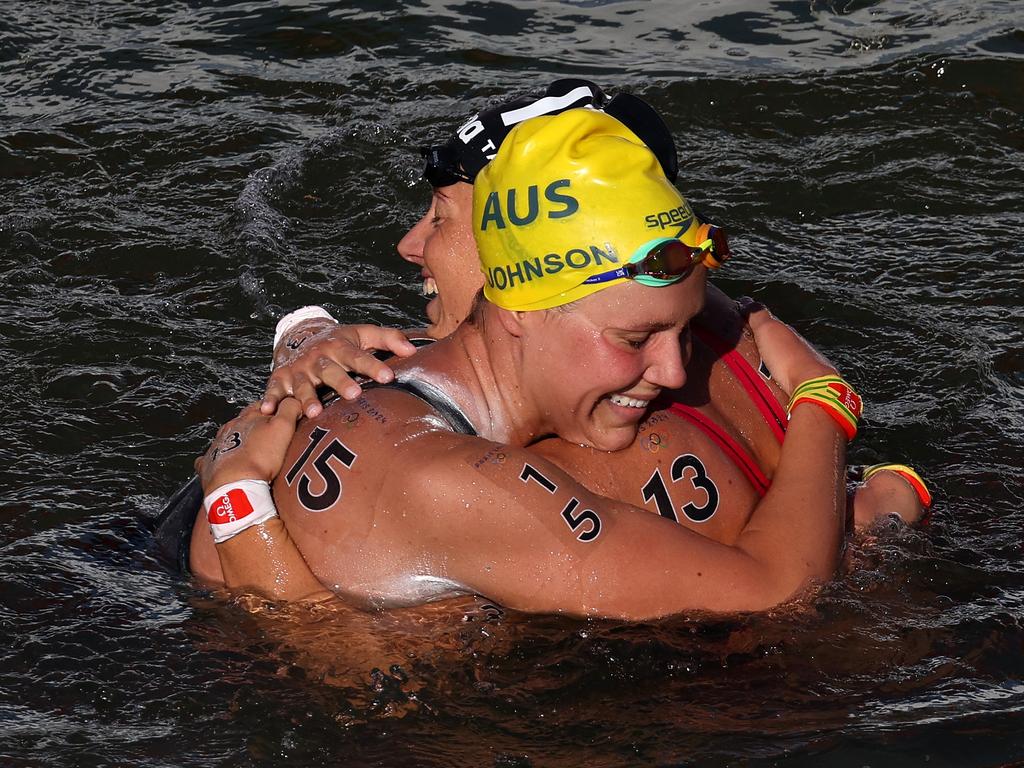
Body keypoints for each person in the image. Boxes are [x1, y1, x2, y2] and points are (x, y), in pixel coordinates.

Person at [187, 108, 866, 621]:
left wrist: (303, 335)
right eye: (635, 341)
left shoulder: (376, 372)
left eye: (684, 329)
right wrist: (824, 400)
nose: (669, 368)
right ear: (518, 311)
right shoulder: (463, 482)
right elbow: (778, 592)